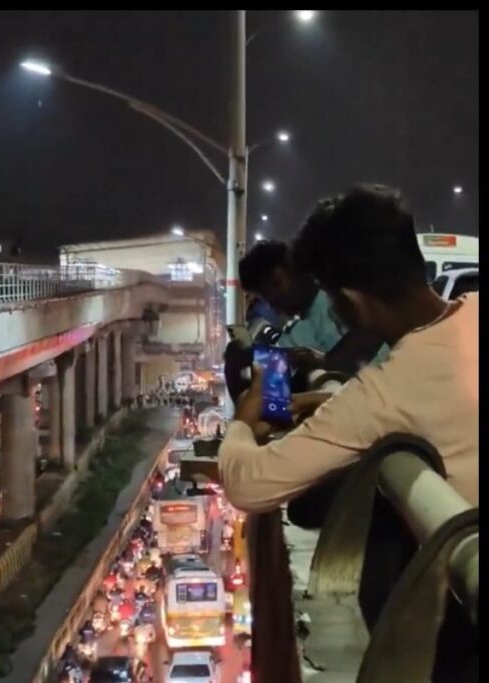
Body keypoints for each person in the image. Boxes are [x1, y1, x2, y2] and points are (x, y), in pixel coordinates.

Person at [218, 185, 478, 680]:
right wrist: (327, 396)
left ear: (351, 302)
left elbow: (248, 484)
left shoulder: (386, 392)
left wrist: (243, 421)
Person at [239, 238, 390, 368]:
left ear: (295, 269)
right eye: (265, 294)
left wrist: (324, 363)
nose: (273, 297)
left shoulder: (339, 297)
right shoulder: (293, 335)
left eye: (275, 283)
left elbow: (368, 338)